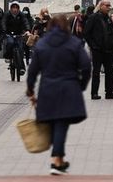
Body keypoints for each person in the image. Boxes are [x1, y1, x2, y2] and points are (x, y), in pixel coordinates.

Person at [27, 13, 92, 175]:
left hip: (47, 89)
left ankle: (60, 159)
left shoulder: (42, 44)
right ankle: (56, 160)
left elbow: (33, 70)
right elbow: (86, 66)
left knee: (56, 123)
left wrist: (30, 90)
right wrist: (81, 85)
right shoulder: (74, 43)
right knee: (61, 124)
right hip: (69, 88)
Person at [83, 0, 113, 100]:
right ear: (101, 6)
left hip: (108, 50)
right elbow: (86, 33)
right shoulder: (94, 17)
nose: (109, 7)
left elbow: (112, 32)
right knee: (96, 71)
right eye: (107, 5)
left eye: (109, 5)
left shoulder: (108, 18)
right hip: (98, 50)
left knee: (110, 72)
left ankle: (109, 92)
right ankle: (94, 93)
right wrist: (93, 45)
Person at [4, 2, 29, 81]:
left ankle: (21, 68)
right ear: (11, 8)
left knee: (21, 50)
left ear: (18, 8)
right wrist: (4, 31)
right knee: (10, 43)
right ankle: (8, 57)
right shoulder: (7, 15)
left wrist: (27, 30)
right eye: (13, 7)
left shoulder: (21, 15)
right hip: (9, 34)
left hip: (19, 34)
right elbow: (3, 23)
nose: (15, 9)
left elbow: (26, 22)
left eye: (16, 8)